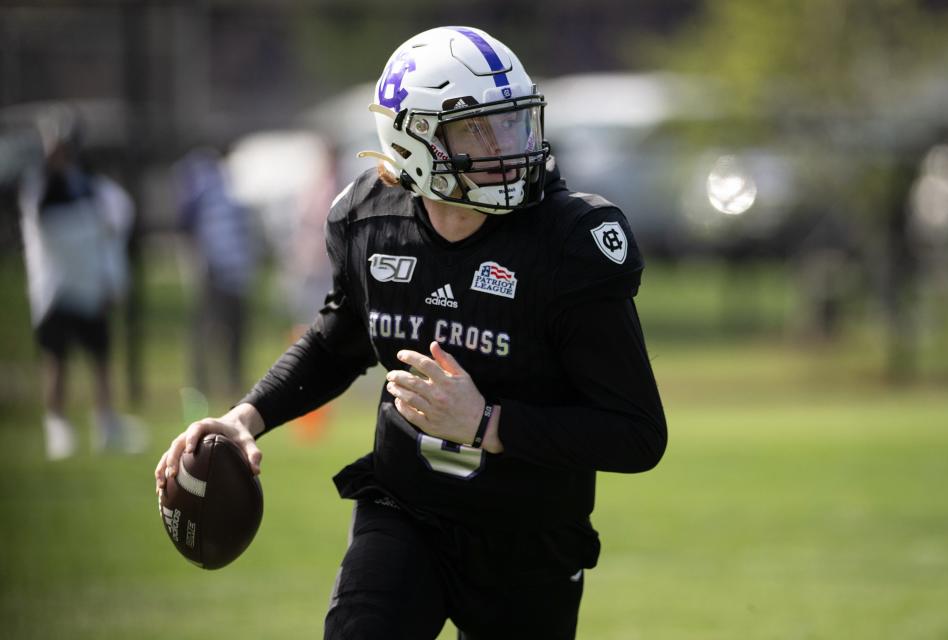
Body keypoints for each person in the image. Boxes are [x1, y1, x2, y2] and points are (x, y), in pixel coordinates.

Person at [156, 26, 667, 639]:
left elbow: (637, 434)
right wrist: (245, 417)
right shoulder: (368, 219)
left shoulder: (570, 242)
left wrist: (489, 424)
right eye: (478, 129)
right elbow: (339, 338)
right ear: (415, 137)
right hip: (404, 512)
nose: (508, 145)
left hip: (530, 539)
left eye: (512, 122)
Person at [20, 104, 144, 459]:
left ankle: (107, 425)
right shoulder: (42, 185)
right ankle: (58, 429)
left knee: (101, 358)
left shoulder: (87, 182)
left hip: (90, 288)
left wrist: (108, 276)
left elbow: (110, 220)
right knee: (56, 360)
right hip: (58, 288)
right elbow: (50, 227)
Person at [173, 148, 255, 397]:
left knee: (235, 335)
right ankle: (199, 390)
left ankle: (232, 387)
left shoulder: (236, 189)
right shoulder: (204, 186)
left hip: (236, 273)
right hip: (213, 271)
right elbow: (185, 224)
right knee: (207, 332)